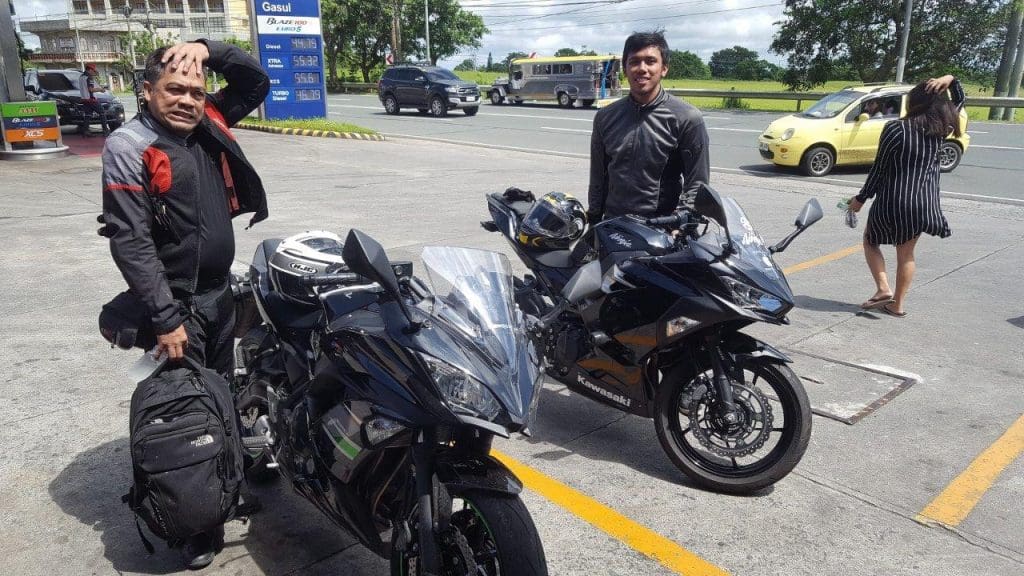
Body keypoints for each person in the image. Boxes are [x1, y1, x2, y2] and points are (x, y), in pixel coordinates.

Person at [100, 39, 269, 569]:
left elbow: (256, 82)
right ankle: (197, 522)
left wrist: (206, 49)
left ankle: (225, 482)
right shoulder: (129, 145)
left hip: (219, 295)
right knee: (188, 411)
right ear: (147, 91)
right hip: (177, 306)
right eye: (174, 89)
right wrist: (165, 318)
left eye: (195, 90)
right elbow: (130, 240)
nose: (188, 99)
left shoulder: (209, 122)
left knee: (220, 395)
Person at [848, 74, 964, 318]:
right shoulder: (942, 129)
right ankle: (897, 305)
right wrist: (951, 80)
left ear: (912, 103)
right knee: (906, 254)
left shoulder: (895, 129)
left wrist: (860, 199)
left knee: (871, 241)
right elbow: (961, 100)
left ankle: (882, 288)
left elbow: (879, 169)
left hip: (893, 199)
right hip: (924, 202)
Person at [588, 30, 710, 222]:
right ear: (625, 69)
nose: (642, 68)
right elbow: (598, 177)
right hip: (613, 225)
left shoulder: (687, 118)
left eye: (650, 61)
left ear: (664, 68)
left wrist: (685, 223)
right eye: (634, 61)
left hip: (661, 228)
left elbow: (697, 183)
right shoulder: (605, 117)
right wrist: (594, 220)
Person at [79, 63, 111, 136]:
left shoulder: (81, 77)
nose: (93, 72)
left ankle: (86, 131)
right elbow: (91, 89)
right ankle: (105, 131)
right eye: (93, 70)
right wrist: (100, 89)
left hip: (84, 99)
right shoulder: (89, 77)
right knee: (102, 113)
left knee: (88, 115)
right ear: (90, 69)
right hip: (91, 99)